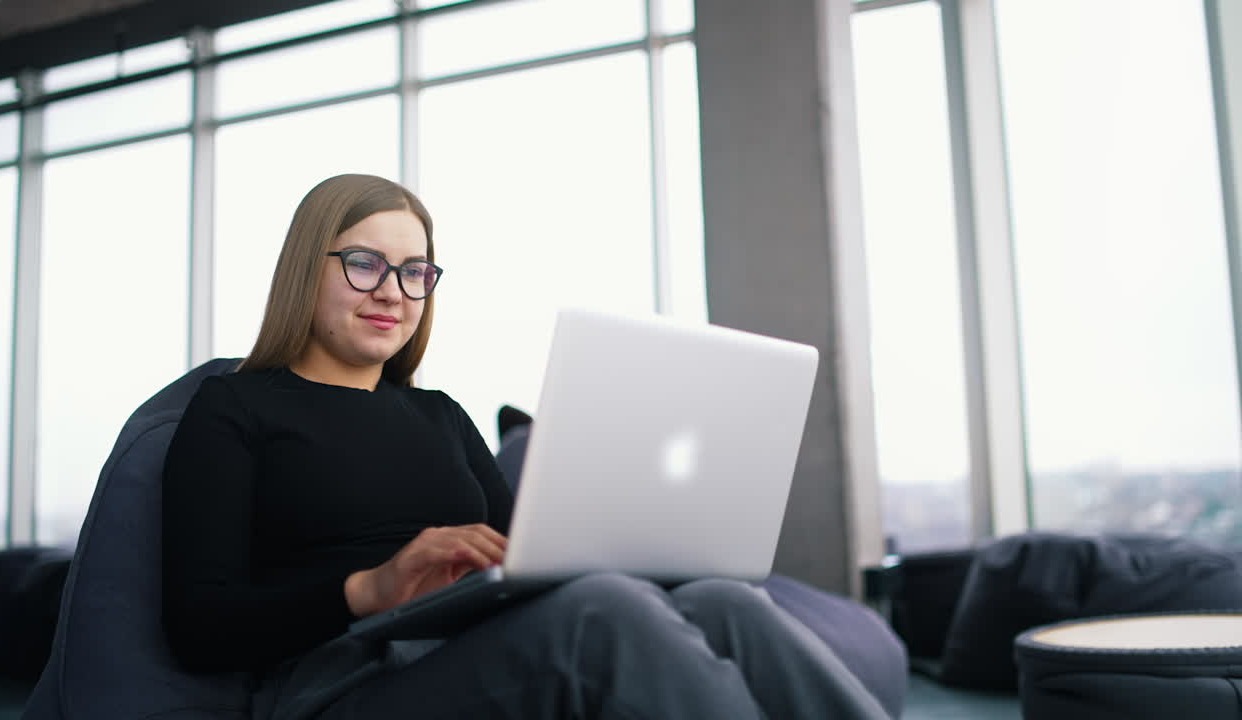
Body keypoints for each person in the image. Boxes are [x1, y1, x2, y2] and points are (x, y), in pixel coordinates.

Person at [161, 173, 889, 720]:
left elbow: (529, 555)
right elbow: (200, 626)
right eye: (364, 263)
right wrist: (372, 587)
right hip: (340, 683)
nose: (392, 291)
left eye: (415, 271)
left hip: (468, 646)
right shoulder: (234, 408)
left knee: (728, 602)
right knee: (603, 613)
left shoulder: (440, 416)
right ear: (304, 269)